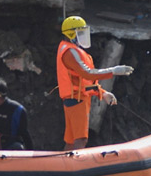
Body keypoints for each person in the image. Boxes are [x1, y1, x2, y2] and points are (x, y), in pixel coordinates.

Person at [57, 15, 133, 150]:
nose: (84, 36)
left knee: (71, 141)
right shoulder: (70, 52)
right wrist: (113, 71)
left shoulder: (70, 49)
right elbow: (87, 73)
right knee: (80, 139)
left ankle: (64, 167)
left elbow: (85, 80)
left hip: (75, 98)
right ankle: (76, 168)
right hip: (77, 99)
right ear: (72, 34)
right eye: (80, 32)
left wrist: (102, 93)